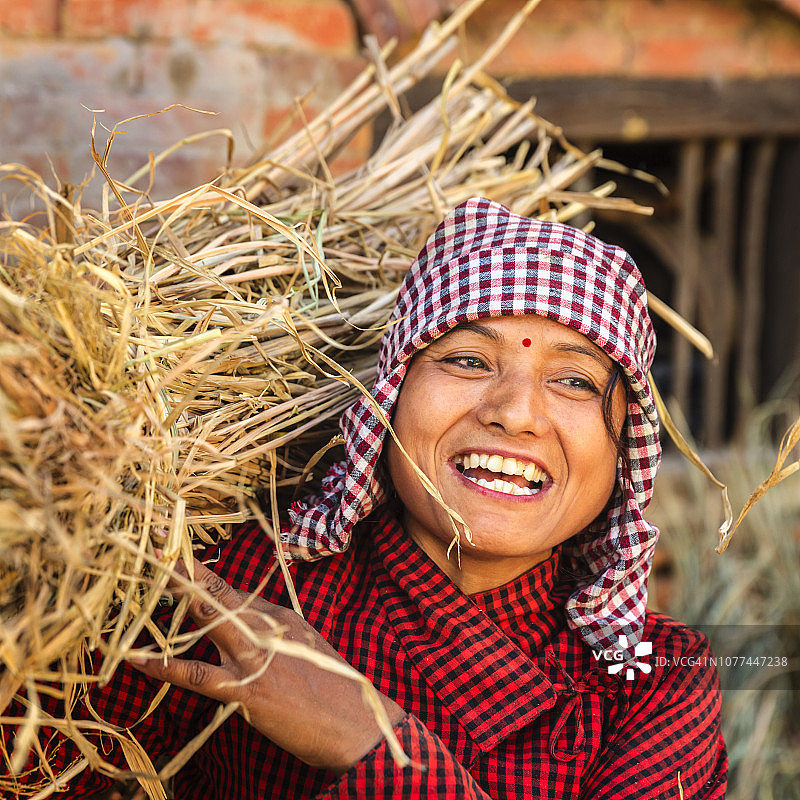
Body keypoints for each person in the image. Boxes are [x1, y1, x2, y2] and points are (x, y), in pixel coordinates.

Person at [3, 197, 727, 798]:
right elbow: (34, 767)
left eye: (573, 380)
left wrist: (366, 737)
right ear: (389, 399)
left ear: (624, 447)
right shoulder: (251, 586)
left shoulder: (657, 684)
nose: (516, 413)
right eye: (467, 359)